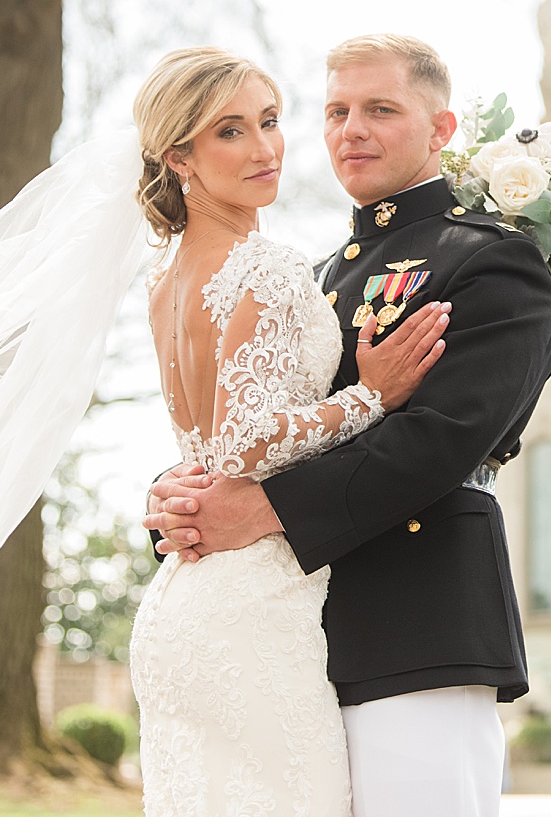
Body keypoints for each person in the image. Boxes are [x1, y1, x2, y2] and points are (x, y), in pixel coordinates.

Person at [145, 34, 551, 816]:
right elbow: (253, 423)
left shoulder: (491, 262)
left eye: (380, 109)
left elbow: (440, 438)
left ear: (441, 130)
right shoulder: (314, 274)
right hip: (288, 635)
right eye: (336, 111)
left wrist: (260, 510)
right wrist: (180, 496)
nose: (351, 130)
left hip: (414, 630)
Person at [122, 47, 453, 815]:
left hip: (182, 597)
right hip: (254, 600)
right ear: (180, 158)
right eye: (230, 132)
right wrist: (370, 396)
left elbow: (205, 444)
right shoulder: (265, 267)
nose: (266, 148)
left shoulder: (166, 278)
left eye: (270, 121)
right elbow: (244, 443)